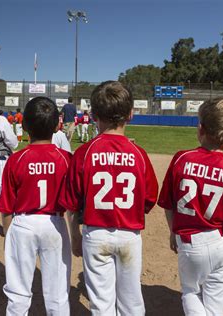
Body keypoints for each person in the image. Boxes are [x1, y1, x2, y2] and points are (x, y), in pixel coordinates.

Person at [60, 81, 158, 315]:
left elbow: (72, 203)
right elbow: (149, 198)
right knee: (131, 301)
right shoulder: (138, 154)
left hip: (95, 234)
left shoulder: (85, 152)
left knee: (101, 304)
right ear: (131, 114)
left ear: (93, 116)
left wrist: (75, 234)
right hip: (129, 233)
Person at [158, 99, 223, 315]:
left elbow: (167, 204)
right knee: (216, 301)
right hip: (220, 242)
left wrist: (173, 232)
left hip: (189, 243)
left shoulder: (182, 158)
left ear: (201, 128)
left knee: (191, 293)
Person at [0, 97, 72, 315]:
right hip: (55, 223)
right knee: (57, 293)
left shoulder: (16, 159)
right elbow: (73, 205)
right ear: (57, 126)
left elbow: (6, 207)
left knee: (18, 291)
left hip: (23, 223)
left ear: (25, 126)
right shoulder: (66, 158)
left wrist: (9, 234)